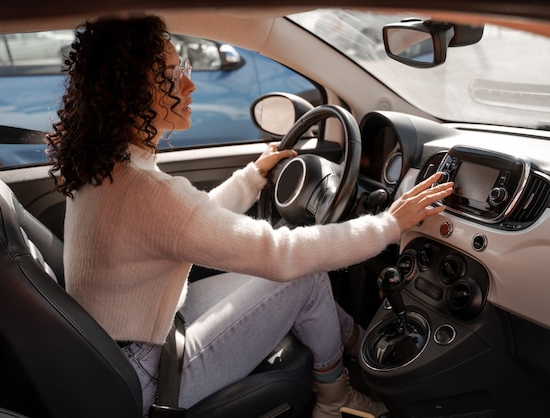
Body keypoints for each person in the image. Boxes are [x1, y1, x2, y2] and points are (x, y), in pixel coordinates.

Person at [46, 15, 453, 418]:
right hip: (148, 376)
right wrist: (389, 224)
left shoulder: (103, 169)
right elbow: (281, 254)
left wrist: (253, 176)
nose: (190, 85)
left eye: (183, 70)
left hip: (126, 351)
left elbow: (190, 224)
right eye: (170, 78)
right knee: (304, 277)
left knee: (297, 280)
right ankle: (335, 399)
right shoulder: (145, 191)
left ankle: (355, 344)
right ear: (127, 95)